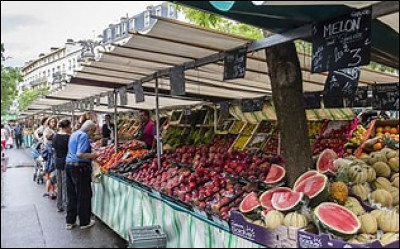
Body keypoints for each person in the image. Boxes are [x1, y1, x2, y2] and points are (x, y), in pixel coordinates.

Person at [65, 120, 99, 230]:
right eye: (92, 132)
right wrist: (93, 155)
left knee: (72, 195)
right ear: (89, 129)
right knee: (83, 195)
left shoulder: (74, 134)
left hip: (69, 165)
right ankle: (84, 222)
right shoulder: (83, 135)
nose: (92, 134)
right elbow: (80, 154)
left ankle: (70, 221)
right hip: (79, 168)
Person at [53, 119, 72, 213]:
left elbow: (54, 149)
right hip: (66, 162)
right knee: (65, 184)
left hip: (58, 161)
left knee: (59, 183)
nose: (70, 128)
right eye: (70, 126)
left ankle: (59, 204)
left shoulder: (55, 136)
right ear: (67, 127)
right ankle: (66, 204)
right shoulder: (68, 138)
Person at [42, 132, 57, 199]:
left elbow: (44, 155)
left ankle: (48, 192)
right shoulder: (54, 145)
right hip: (53, 164)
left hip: (48, 164)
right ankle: (53, 192)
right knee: (53, 179)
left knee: (48, 179)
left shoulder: (46, 145)